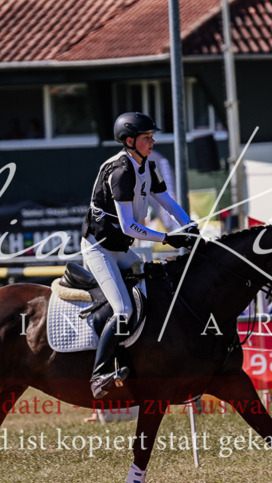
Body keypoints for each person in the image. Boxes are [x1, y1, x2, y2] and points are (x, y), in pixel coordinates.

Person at [81, 111, 199, 398]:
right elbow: (129, 226)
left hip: (121, 250)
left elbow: (166, 200)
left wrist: (190, 225)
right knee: (124, 309)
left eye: (152, 137)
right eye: (147, 138)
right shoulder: (121, 172)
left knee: (154, 291)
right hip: (100, 250)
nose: (153, 141)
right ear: (130, 140)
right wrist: (168, 238)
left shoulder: (148, 165)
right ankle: (98, 375)